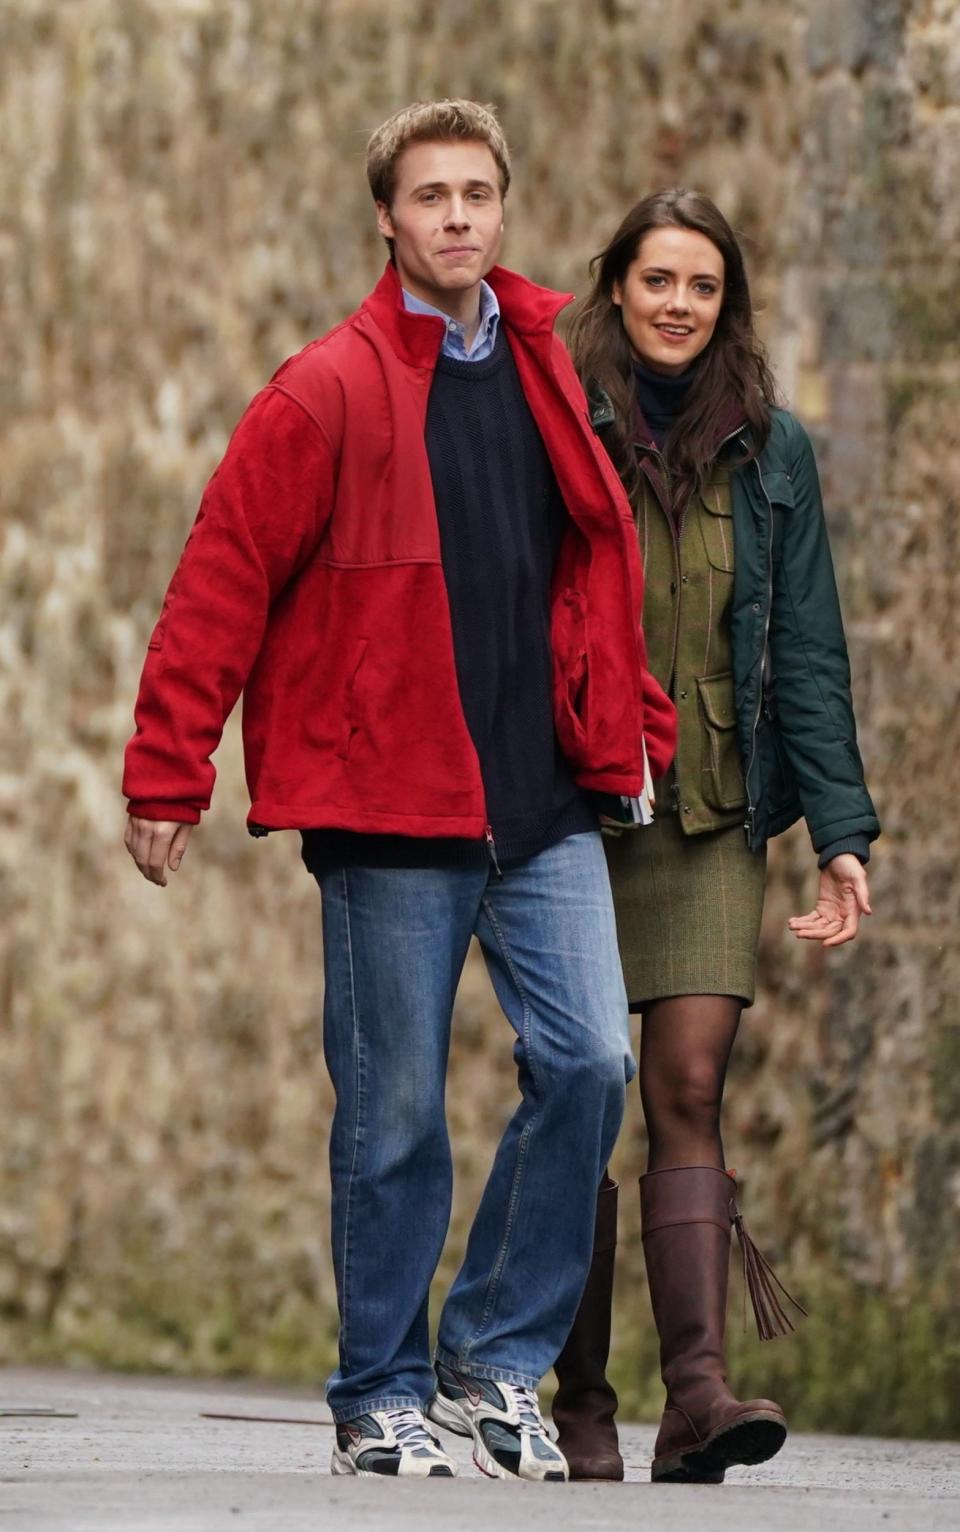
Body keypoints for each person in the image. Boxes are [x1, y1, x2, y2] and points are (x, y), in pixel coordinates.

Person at [122, 100, 676, 1483]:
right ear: (387, 216)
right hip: (390, 810)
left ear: (504, 208)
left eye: (478, 195)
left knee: (592, 1064)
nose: (458, 220)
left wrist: (628, 721)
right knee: (392, 1115)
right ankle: (376, 1391)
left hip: (540, 802)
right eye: (430, 197)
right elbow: (221, 579)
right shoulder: (324, 390)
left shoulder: (551, 365)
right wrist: (167, 768)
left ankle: (492, 1360)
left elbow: (594, 568)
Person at [549, 188, 880, 1485]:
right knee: (581, 1090)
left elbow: (808, 653)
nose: (679, 304)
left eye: (702, 285)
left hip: (713, 805)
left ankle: (696, 1396)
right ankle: (581, 1399)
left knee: (687, 1088)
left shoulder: (772, 450)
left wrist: (838, 832)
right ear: (616, 289)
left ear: (724, 303)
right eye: (657, 281)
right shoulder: (560, 426)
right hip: (569, 801)